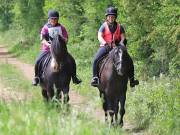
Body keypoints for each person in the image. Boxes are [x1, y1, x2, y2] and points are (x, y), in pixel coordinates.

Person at [91, 6, 139, 87]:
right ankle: (95, 77)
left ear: (115, 17)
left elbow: (123, 37)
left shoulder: (120, 27)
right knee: (96, 59)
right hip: (105, 47)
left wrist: (120, 43)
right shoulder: (103, 26)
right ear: (107, 17)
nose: (111, 18)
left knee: (129, 60)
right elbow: (99, 36)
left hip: (117, 47)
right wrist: (104, 43)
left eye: (113, 16)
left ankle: (132, 79)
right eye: (109, 16)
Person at [32, 10, 81, 86]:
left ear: (58, 19)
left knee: (71, 60)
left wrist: (64, 41)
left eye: (55, 19)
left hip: (60, 51)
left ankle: (74, 77)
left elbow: (66, 38)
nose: (54, 20)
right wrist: (48, 44)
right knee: (38, 60)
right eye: (52, 19)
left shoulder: (61, 27)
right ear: (49, 19)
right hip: (47, 50)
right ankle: (36, 77)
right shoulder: (45, 28)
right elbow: (42, 39)